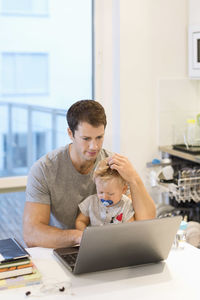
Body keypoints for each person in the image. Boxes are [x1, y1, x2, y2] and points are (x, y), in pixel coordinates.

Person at [23, 100, 156, 248]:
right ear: (70, 133)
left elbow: (146, 223)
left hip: (109, 248)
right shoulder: (44, 169)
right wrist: (79, 237)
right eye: (86, 139)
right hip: (62, 248)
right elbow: (31, 234)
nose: (94, 146)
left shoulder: (113, 167)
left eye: (99, 137)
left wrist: (134, 178)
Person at [76, 158, 134, 231]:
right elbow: (80, 221)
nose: (105, 197)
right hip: (96, 240)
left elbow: (131, 227)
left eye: (110, 194)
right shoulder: (91, 202)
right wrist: (86, 233)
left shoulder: (127, 204)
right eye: (101, 192)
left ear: (123, 190)